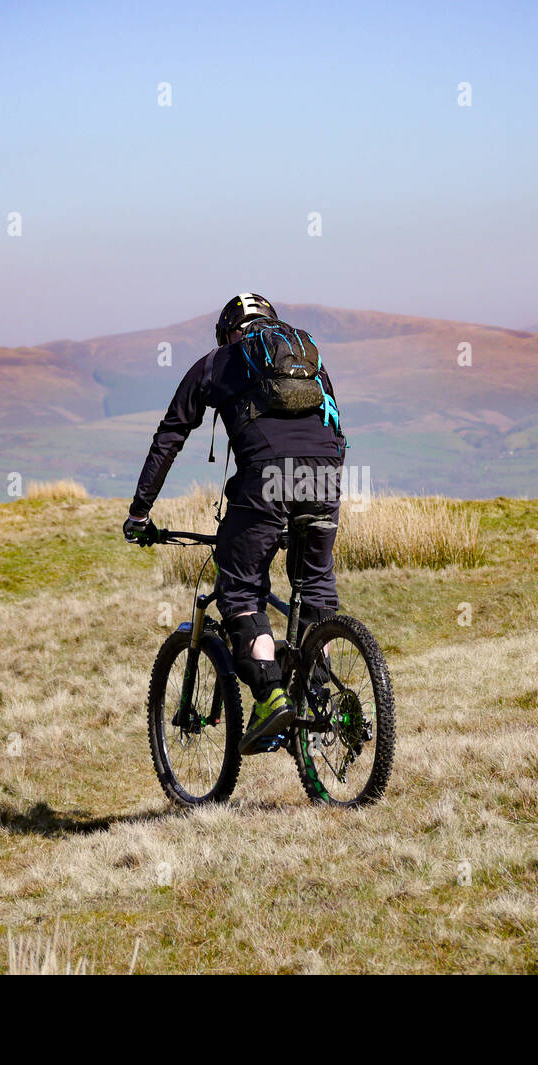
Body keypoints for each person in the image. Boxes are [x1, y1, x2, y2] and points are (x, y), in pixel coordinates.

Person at [124, 293, 346, 754]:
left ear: (228, 331)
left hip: (265, 476)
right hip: (325, 473)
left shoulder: (216, 362)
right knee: (317, 585)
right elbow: (335, 425)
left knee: (239, 591)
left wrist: (140, 512)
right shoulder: (307, 355)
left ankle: (270, 698)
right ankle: (321, 694)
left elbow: (170, 435)